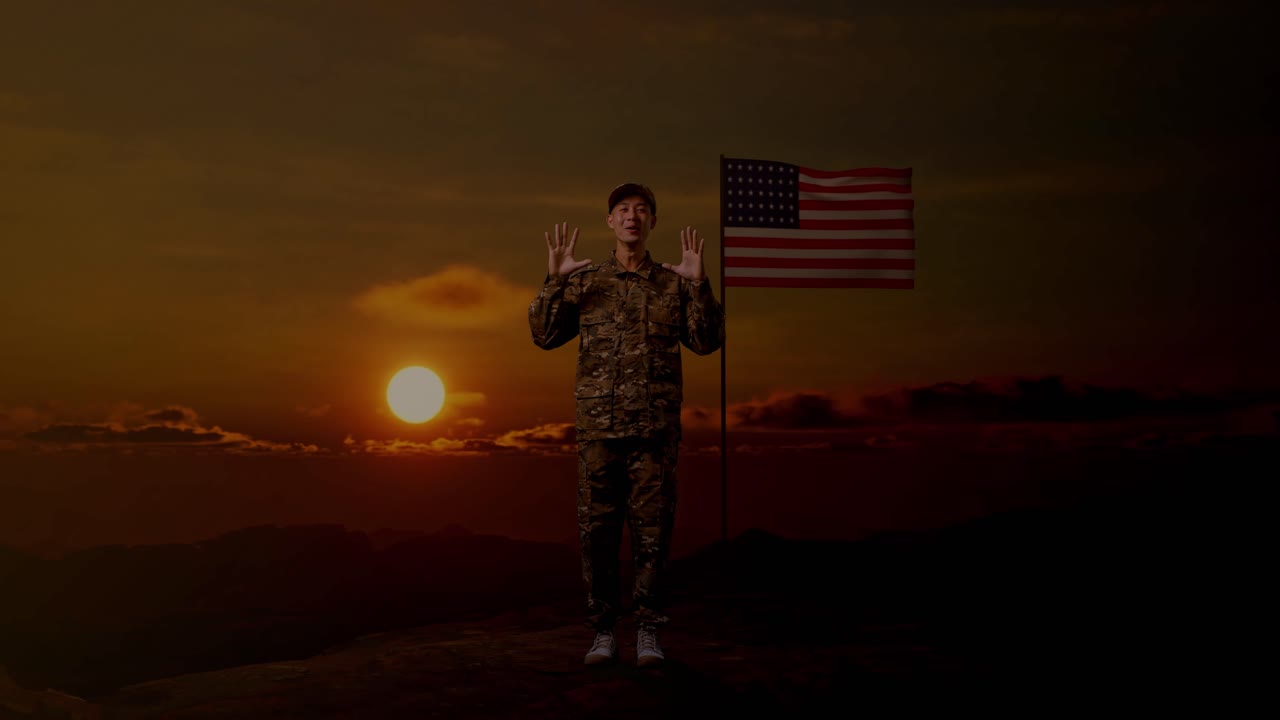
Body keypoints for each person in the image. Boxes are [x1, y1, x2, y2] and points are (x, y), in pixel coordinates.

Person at [528, 182, 725, 667]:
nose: (632, 216)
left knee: (653, 534)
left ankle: (648, 632)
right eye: (623, 209)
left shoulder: (673, 283)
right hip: (599, 430)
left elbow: (707, 342)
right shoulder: (587, 281)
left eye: (641, 210)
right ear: (610, 221)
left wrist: (700, 283)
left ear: (652, 222)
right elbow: (544, 335)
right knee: (597, 533)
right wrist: (553, 280)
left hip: (654, 431)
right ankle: (603, 632)